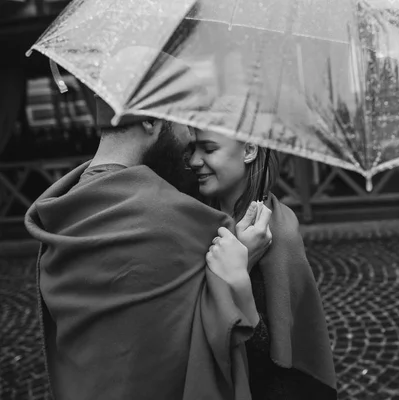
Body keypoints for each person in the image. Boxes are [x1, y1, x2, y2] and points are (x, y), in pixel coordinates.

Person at [24, 84, 272, 400]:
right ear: (149, 121)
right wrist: (242, 262)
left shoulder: (63, 212)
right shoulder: (174, 217)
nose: (188, 145)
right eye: (183, 123)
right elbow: (219, 336)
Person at [188, 128, 338, 399]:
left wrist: (239, 270)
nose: (194, 161)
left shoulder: (280, 234)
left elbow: (272, 358)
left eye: (208, 149)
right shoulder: (193, 217)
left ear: (249, 151)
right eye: (192, 150)